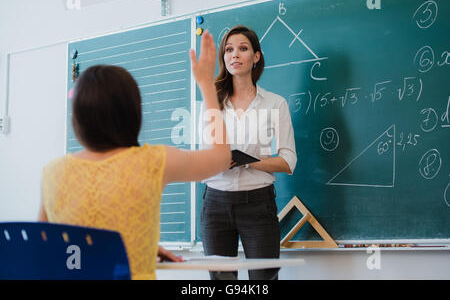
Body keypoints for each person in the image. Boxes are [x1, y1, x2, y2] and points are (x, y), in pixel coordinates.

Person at [38, 31, 231, 280]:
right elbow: (221, 156)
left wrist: (137, 247)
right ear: (131, 113)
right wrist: (206, 84)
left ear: (78, 117)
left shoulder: (53, 172)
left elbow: (43, 247)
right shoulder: (152, 162)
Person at [198, 25, 297, 280]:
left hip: (258, 205)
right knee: (222, 282)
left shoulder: (276, 103)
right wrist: (216, 160)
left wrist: (249, 162)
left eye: (243, 49)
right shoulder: (211, 103)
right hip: (216, 204)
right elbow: (202, 157)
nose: (235, 55)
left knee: (262, 282)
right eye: (229, 50)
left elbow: (288, 161)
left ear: (256, 56)